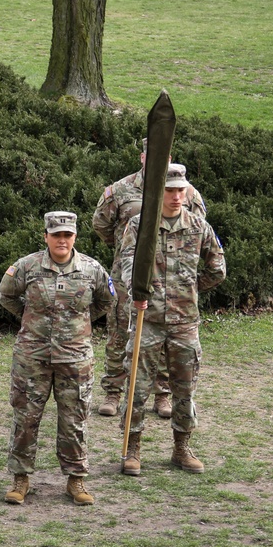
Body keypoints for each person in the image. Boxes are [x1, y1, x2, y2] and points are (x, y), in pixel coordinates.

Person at [0, 211, 115, 506]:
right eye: (56, 235)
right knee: (25, 418)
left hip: (75, 358)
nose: (62, 240)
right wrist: (31, 319)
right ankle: (20, 478)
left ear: (75, 236)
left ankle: (76, 480)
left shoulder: (91, 269)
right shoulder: (27, 266)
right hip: (32, 356)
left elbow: (105, 301)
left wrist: (78, 324)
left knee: (74, 419)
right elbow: (7, 296)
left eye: (67, 235)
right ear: (46, 236)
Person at [119, 164, 225, 476]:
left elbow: (217, 267)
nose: (177, 196)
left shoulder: (197, 225)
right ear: (158, 191)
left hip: (184, 322)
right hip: (147, 319)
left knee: (185, 388)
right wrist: (137, 288)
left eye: (181, 190)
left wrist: (190, 288)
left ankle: (182, 448)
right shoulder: (141, 225)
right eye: (170, 190)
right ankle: (132, 450)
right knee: (137, 387)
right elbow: (126, 261)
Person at [92, 138, 206, 419]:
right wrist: (124, 248)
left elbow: (199, 232)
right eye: (152, 155)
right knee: (120, 331)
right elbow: (101, 225)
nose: (158, 160)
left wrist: (187, 280)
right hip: (126, 277)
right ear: (143, 158)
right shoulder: (120, 190)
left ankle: (163, 394)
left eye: (164, 156)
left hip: (172, 282)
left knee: (167, 336)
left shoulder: (187, 193)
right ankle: (113, 391)